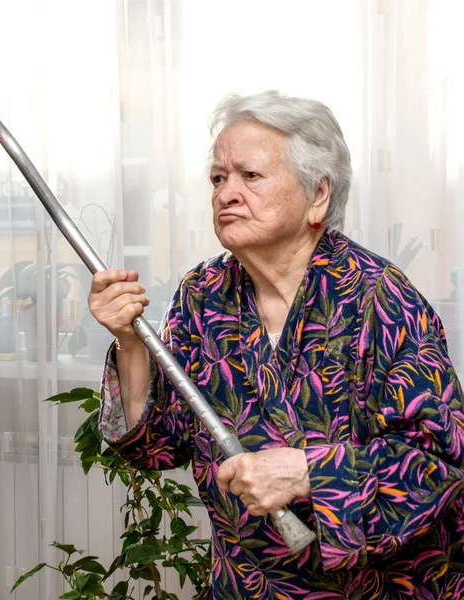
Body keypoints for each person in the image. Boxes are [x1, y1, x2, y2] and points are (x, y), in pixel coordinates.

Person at [88, 90, 464, 599]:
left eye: (251, 175)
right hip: (244, 587)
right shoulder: (203, 296)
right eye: (218, 178)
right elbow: (159, 444)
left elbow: (440, 465)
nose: (226, 193)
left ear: (317, 195)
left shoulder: (381, 298)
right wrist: (130, 343)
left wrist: (309, 473)